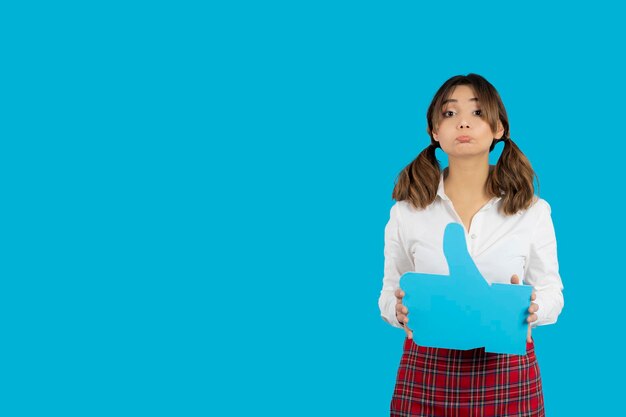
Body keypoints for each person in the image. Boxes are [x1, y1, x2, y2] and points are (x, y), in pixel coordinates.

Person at [378, 74, 564, 417]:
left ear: (499, 129)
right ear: (435, 132)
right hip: (427, 369)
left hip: (508, 368)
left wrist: (534, 307)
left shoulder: (532, 211)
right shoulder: (406, 212)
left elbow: (552, 289)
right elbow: (390, 291)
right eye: (449, 114)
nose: (463, 122)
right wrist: (397, 310)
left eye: (477, 113)